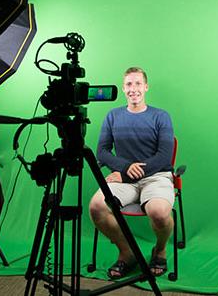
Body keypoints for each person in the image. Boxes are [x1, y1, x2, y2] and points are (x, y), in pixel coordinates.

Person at [88, 66, 175, 279]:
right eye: (129, 84)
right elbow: (102, 151)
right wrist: (125, 168)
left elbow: (164, 157)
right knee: (96, 207)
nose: (133, 88)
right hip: (123, 179)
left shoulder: (161, 116)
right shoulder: (113, 116)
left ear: (146, 87)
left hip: (156, 176)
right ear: (123, 88)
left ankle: (160, 249)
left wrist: (125, 173)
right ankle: (127, 252)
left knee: (160, 213)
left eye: (137, 83)